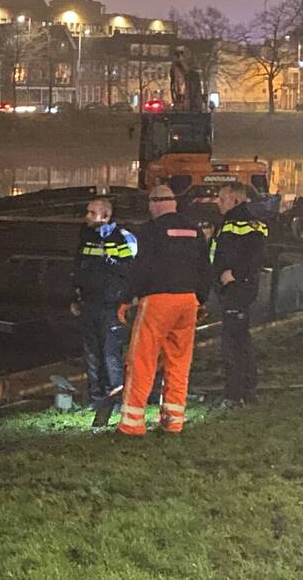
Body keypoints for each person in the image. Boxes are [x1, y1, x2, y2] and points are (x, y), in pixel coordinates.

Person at [115, 185, 211, 436]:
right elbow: (205, 267)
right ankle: (173, 420)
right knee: (179, 361)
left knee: (142, 359)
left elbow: (141, 267)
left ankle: (132, 424)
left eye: (149, 203)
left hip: (157, 300)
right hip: (188, 300)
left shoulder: (150, 230)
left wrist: (127, 298)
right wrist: (201, 299)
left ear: (156, 202)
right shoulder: (194, 230)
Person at [70, 197, 137, 422]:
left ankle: (115, 400)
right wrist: (75, 296)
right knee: (92, 354)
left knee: (111, 355)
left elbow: (129, 271)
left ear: (105, 216)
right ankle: (96, 398)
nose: (86, 217)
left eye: (91, 213)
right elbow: (78, 268)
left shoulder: (122, 238)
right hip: (88, 304)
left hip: (110, 306)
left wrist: (112, 263)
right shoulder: (86, 237)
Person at [212, 182, 268, 405]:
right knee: (239, 339)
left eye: (221, 198)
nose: (217, 202)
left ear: (236, 200)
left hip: (237, 289)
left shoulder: (242, 222)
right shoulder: (232, 221)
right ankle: (245, 389)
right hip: (235, 288)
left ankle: (235, 394)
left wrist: (234, 274)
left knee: (233, 343)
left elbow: (256, 255)